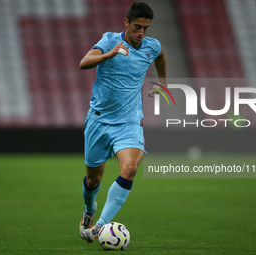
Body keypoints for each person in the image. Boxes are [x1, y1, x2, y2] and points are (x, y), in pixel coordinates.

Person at [79, 1, 166, 243]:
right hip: (98, 121)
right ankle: (89, 210)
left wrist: (163, 84)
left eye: (145, 29)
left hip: (129, 123)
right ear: (126, 23)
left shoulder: (151, 46)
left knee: (130, 168)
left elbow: (160, 56)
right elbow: (83, 62)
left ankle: (99, 227)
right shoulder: (109, 40)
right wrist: (109, 54)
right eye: (137, 27)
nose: (141, 34)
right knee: (93, 180)